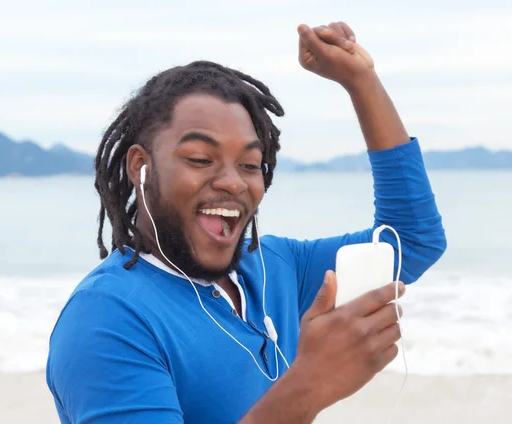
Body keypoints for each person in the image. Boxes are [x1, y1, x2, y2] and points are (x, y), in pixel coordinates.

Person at [46, 21, 447, 424]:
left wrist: (360, 81)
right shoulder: (107, 318)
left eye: (250, 164)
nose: (233, 182)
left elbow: (411, 240)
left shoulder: (275, 267)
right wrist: (309, 387)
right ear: (141, 167)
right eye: (200, 159)